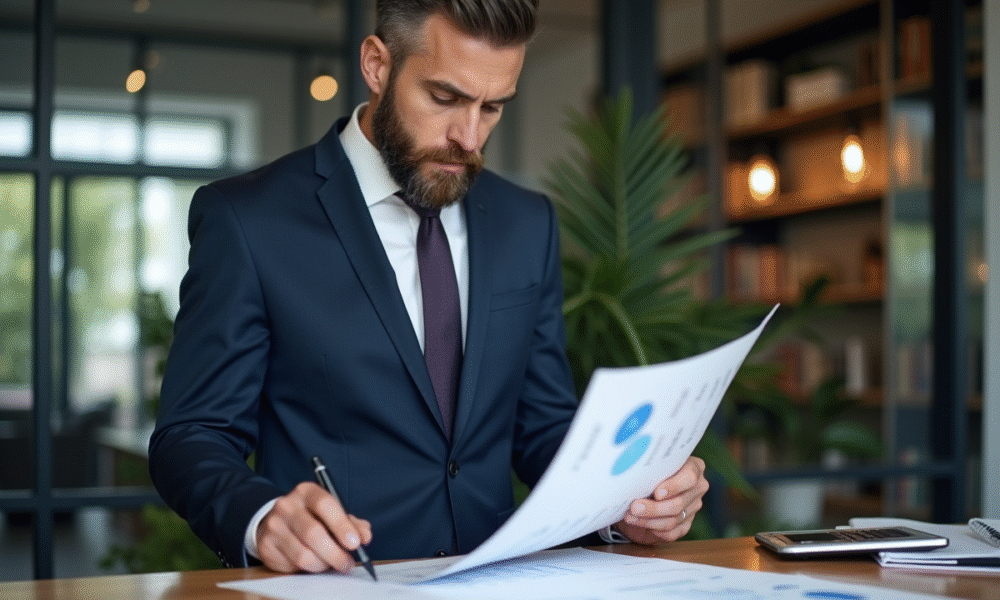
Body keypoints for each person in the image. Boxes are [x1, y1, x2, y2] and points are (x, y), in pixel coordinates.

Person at [148, 0, 709, 575]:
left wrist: (630, 502)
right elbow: (193, 435)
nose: (469, 137)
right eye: (444, 98)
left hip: (503, 585)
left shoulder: (526, 222)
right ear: (377, 64)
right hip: (339, 588)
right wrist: (261, 516)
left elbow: (542, 426)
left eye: (492, 107)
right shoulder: (249, 221)